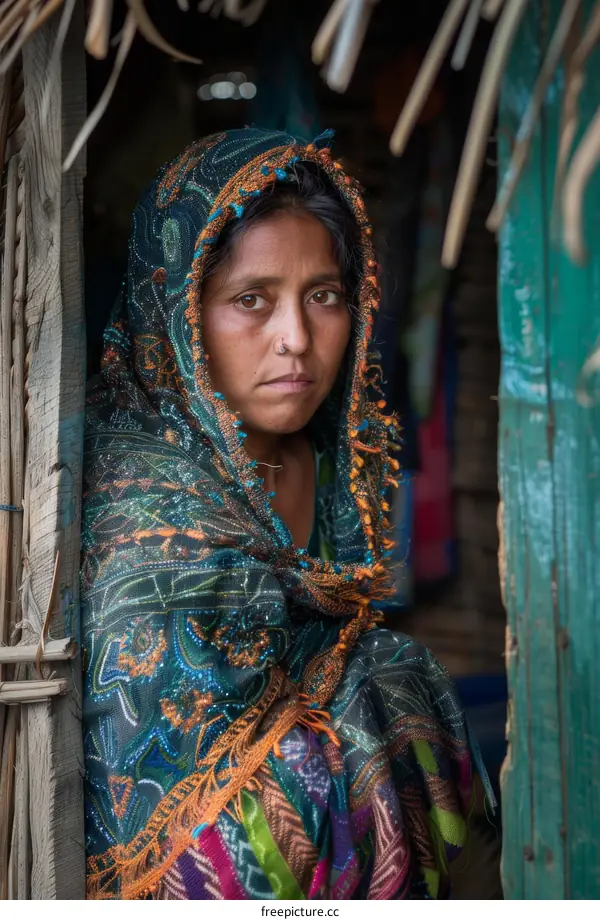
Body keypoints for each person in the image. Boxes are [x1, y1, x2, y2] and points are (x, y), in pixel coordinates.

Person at [81, 128, 490, 900]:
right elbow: (193, 841)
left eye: (325, 297)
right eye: (251, 301)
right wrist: (381, 698)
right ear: (179, 317)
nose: (297, 340)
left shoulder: (321, 456)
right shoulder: (151, 524)